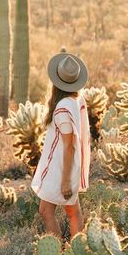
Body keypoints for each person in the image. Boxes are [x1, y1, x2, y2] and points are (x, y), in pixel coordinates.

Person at [31, 51, 90, 237]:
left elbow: (69, 145)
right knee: (73, 212)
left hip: (60, 168)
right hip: (69, 165)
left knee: (46, 211)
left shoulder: (62, 109)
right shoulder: (76, 99)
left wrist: (65, 181)